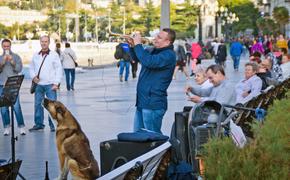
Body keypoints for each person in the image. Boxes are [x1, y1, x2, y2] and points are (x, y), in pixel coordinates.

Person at [128, 28, 176, 134]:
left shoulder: (169, 55)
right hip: (142, 102)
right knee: (137, 136)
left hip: (153, 104)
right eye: (156, 36)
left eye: (159, 37)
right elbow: (137, 59)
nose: (155, 38)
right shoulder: (152, 50)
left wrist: (138, 45)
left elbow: (149, 62)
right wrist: (132, 46)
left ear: (168, 42)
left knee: (153, 138)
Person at [29, 35, 62, 132]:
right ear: (40, 42)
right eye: (42, 41)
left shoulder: (54, 55)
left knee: (52, 106)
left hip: (50, 84)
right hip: (39, 85)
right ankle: (39, 124)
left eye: (46, 41)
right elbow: (31, 68)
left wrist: (56, 83)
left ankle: (53, 125)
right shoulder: (35, 55)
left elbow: (59, 69)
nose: (44, 43)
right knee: (38, 105)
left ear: (49, 43)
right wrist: (33, 77)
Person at [0, 39, 26, 136]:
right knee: (3, 108)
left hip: (13, 85)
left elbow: (19, 69)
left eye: (8, 46)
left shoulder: (16, 57)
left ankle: (21, 126)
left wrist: (12, 61)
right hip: (2, 85)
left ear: (10, 46)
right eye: (4, 46)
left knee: (16, 107)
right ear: (2, 46)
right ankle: (6, 127)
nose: (6, 48)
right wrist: (2, 64)